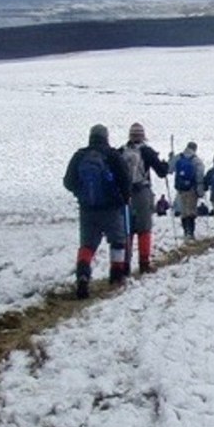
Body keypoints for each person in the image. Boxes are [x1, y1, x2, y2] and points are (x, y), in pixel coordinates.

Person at [63, 124, 132, 300]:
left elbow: (68, 182)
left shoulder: (80, 155)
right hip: (111, 208)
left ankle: (83, 276)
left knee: (87, 245)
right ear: (106, 137)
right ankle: (116, 276)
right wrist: (124, 198)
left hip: (87, 209)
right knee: (117, 241)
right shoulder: (113, 155)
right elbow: (125, 180)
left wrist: (81, 193)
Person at [119, 123, 169, 274]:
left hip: (125, 194)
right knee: (144, 228)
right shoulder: (147, 151)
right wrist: (165, 165)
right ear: (142, 136)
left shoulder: (121, 151)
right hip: (142, 192)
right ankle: (144, 263)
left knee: (127, 229)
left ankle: (124, 264)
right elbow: (161, 172)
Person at [170, 141, 205, 240]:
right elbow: (200, 174)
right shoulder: (196, 160)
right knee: (191, 211)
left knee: (184, 211)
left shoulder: (178, 157)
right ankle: (191, 232)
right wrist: (200, 190)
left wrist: (170, 158)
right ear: (195, 149)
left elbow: (169, 169)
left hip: (181, 189)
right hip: (192, 189)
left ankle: (186, 231)